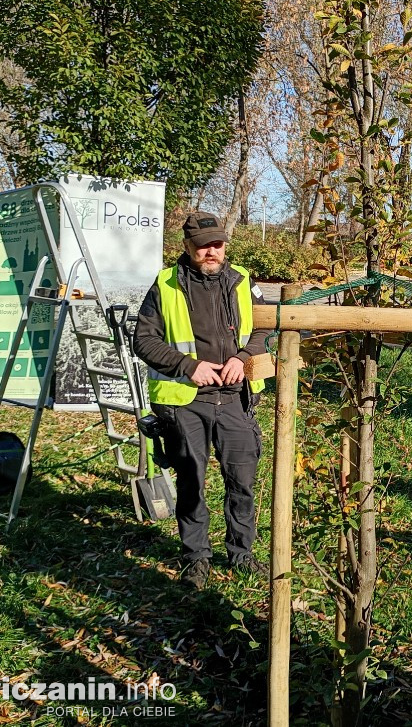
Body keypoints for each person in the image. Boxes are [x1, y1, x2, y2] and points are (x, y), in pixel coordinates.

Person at [133, 212, 269, 590]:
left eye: (218, 244)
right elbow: (143, 341)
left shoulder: (243, 280)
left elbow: (265, 327)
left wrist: (243, 359)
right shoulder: (165, 284)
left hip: (236, 399)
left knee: (242, 480)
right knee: (192, 480)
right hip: (185, 401)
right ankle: (196, 557)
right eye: (203, 245)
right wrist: (188, 366)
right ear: (187, 247)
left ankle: (241, 553)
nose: (212, 251)